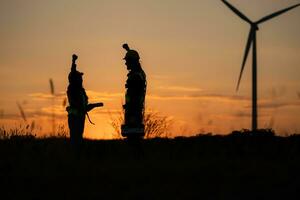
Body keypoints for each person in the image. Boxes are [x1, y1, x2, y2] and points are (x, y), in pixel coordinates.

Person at [66, 54, 103, 148]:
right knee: (76, 139)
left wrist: (93, 105)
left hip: (79, 116)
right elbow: (72, 72)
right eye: (80, 78)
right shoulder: (73, 88)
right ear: (75, 79)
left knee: (78, 139)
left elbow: (83, 107)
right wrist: (73, 62)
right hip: (75, 117)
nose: (82, 79)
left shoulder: (79, 89)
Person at [121, 44, 147, 138]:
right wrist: (128, 50)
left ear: (132, 61)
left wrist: (130, 107)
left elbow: (134, 95)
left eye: (127, 61)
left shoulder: (135, 77)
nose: (125, 63)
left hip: (133, 112)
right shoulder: (139, 73)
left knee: (133, 139)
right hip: (135, 110)